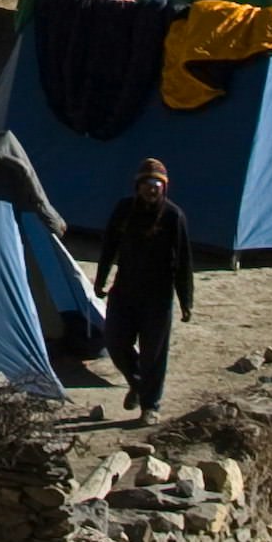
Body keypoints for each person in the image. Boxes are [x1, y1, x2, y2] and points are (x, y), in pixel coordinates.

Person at [99, 155, 194, 417]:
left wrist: (186, 301)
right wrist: (101, 279)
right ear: (138, 186)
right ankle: (137, 382)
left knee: (154, 353)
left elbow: (184, 261)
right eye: (147, 184)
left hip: (158, 297)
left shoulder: (173, 216)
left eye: (156, 185)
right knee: (115, 342)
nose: (151, 189)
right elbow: (109, 246)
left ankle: (150, 406)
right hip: (125, 290)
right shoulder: (124, 210)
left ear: (164, 187)